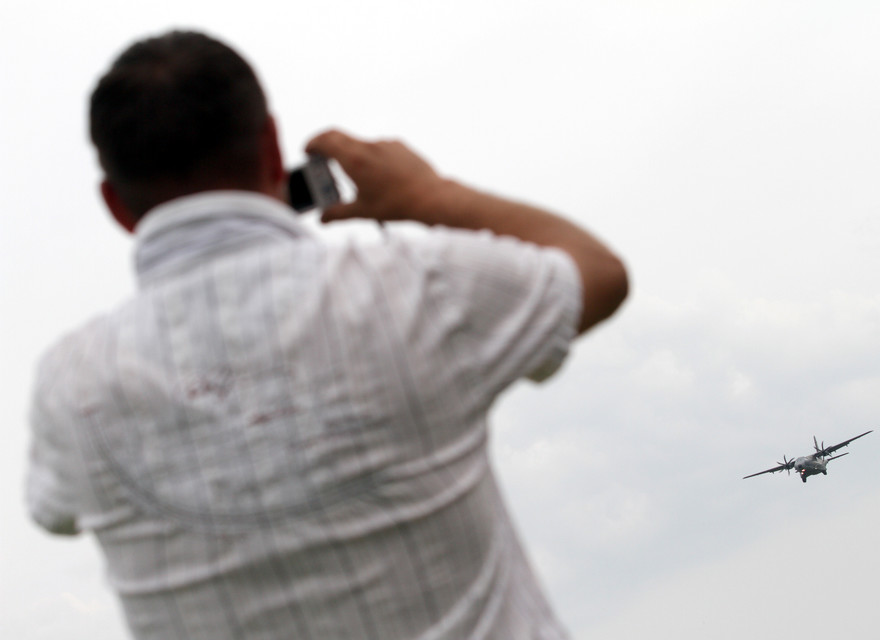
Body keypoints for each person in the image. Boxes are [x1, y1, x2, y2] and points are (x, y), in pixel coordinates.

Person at [26, 30, 628, 639]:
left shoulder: (66, 386)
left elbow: (51, 511)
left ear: (116, 206)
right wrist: (428, 196)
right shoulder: (422, 288)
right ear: (269, 147)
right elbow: (598, 272)